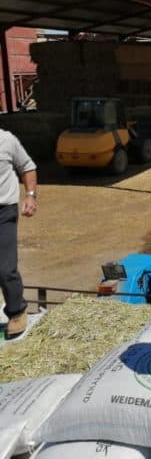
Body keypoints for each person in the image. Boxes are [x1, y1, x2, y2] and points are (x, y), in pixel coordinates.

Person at [0, 128, 37, 340]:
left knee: (5, 268)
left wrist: (31, 196)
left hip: (4, 211)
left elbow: (27, 167)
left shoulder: (6, 140)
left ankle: (17, 311)